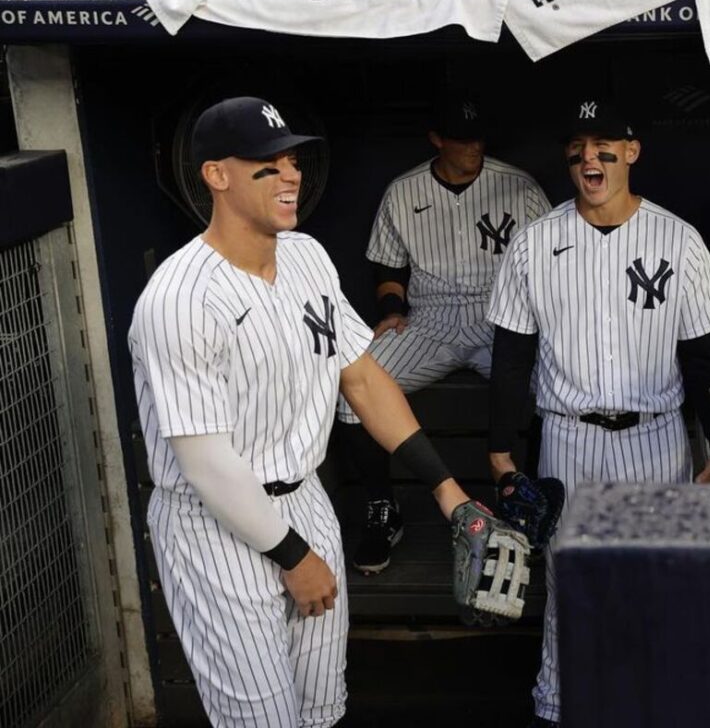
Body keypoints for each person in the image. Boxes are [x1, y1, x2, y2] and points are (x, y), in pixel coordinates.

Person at [130, 97, 488, 726]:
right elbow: (208, 463)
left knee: (322, 711)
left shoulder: (306, 256)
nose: (291, 175)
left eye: (292, 161)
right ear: (217, 175)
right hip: (216, 526)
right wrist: (295, 557)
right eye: (268, 165)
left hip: (305, 501)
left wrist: (448, 490)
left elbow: (363, 376)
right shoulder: (180, 298)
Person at [486, 98, 710, 727]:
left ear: (632, 152)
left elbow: (705, 356)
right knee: (571, 593)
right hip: (569, 441)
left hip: (655, 437)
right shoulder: (535, 243)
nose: (589, 158)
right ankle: (563, 708)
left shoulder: (678, 239)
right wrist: (501, 452)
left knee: (662, 583)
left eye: (604, 146)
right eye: (578, 148)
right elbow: (512, 357)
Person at [334, 94, 551, 574]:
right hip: (427, 317)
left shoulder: (519, 185)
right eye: (460, 138)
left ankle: (527, 502)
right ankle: (382, 509)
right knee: (350, 396)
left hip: (502, 316)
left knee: (554, 388)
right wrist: (391, 307)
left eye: (477, 137)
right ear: (436, 139)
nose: (473, 146)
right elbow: (389, 270)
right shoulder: (403, 191)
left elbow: (552, 262)